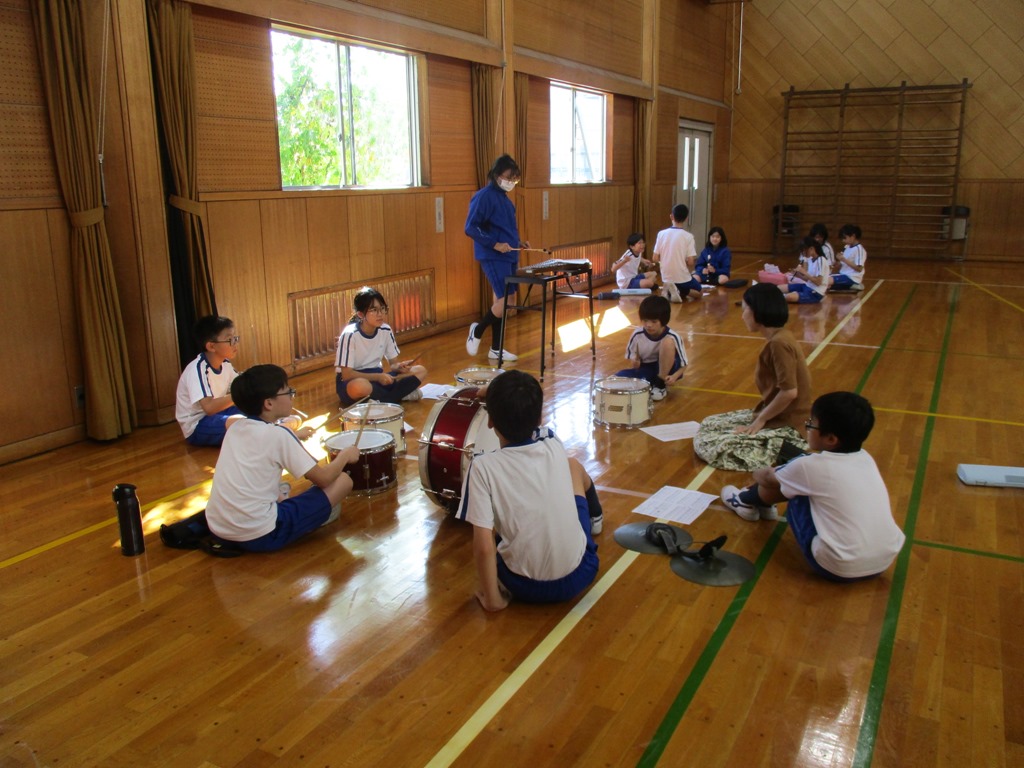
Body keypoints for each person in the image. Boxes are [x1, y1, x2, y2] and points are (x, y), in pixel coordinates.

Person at [455, 370, 603, 611]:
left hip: (522, 586)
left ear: (490, 421)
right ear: (539, 416)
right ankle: (596, 517)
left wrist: (493, 601)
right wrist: (496, 393)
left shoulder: (482, 467)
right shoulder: (551, 440)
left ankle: (495, 594)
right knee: (573, 466)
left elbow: (483, 546)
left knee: (498, 534)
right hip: (581, 574)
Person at [720, 391, 905, 581]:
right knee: (794, 479)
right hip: (882, 562)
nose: (807, 427)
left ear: (831, 439)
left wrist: (757, 472)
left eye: (811, 424)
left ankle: (743, 500)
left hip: (837, 567)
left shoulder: (810, 467)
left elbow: (767, 478)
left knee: (794, 487)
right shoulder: (866, 459)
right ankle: (762, 505)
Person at [205, 365, 359, 553]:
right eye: (288, 392)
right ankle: (315, 518)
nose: (292, 396)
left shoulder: (234, 428)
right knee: (343, 481)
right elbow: (324, 478)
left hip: (218, 529)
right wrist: (345, 455)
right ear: (269, 403)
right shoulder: (279, 435)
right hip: (261, 535)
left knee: (280, 487)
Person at [693, 282, 812, 470]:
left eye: (745, 309)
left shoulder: (779, 344)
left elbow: (789, 392)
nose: (742, 316)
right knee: (709, 424)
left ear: (757, 311)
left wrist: (761, 419)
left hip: (789, 422)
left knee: (715, 447)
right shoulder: (780, 337)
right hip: (780, 414)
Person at [464, 154, 524, 362]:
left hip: (509, 255)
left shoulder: (506, 201)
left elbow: (506, 229)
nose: (511, 182)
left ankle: (496, 349)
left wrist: (518, 243)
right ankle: (477, 330)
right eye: (508, 177)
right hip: (493, 255)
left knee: (501, 301)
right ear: (497, 175)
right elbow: (471, 227)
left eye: (514, 179)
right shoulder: (484, 196)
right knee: (508, 300)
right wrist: (494, 244)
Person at [335, 286, 428, 407]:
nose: (380, 314)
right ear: (361, 314)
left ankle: (378, 401)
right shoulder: (350, 334)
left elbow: (393, 364)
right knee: (361, 386)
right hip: (352, 381)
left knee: (420, 370)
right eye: (374, 310)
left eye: (382, 308)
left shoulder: (385, 329)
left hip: (378, 380)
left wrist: (399, 367)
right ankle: (396, 397)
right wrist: (378, 377)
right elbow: (347, 375)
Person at [175, 315, 244, 447]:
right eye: (230, 340)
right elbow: (209, 408)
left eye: (235, 338)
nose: (235, 343)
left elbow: (241, 384)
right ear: (211, 346)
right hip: (198, 424)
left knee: (257, 409)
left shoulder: (225, 364)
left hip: (219, 414)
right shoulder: (197, 369)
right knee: (241, 422)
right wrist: (240, 394)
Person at [615, 294, 687, 402]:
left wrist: (674, 377)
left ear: (663, 321)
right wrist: (635, 361)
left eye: (654, 321)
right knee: (614, 380)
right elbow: (633, 357)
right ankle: (650, 382)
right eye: (645, 320)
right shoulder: (637, 334)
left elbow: (684, 364)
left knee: (667, 342)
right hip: (647, 368)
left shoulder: (672, 336)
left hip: (669, 369)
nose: (648, 325)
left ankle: (660, 385)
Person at [652, 203, 701, 302]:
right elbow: (691, 262)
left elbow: (655, 258)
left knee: (675, 286)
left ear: (671, 216)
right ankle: (680, 289)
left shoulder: (661, 234)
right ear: (686, 218)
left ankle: (671, 289)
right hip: (682, 276)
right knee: (699, 292)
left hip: (666, 277)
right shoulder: (688, 236)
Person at [781, 237, 829, 304]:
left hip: (816, 292)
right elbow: (807, 279)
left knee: (788, 297)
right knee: (780, 288)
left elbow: (818, 282)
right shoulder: (811, 259)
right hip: (806, 286)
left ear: (811, 248)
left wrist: (805, 272)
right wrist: (798, 275)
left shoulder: (821, 260)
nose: (803, 254)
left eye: (804, 251)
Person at [830, 223, 866, 291]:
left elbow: (859, 268)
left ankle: (854, 284)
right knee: (827, 283)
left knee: (826, 281)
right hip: (843, 275)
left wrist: (843, 259)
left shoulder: (859, 249)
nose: (843, 240)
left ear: (853, 236)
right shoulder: (847, 247)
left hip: (851, 277)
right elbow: (842, 264)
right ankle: (850, 286)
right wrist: (836, 263)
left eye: (845, 238)